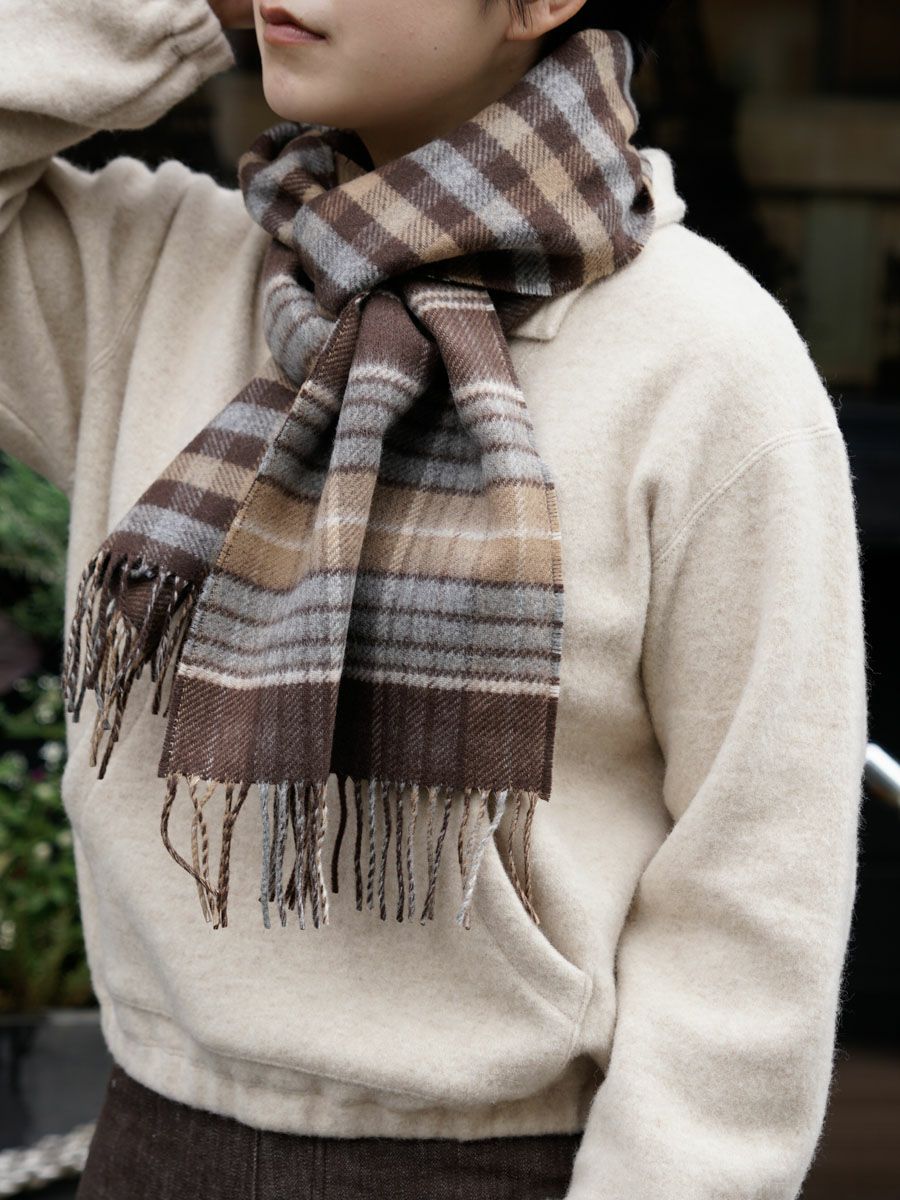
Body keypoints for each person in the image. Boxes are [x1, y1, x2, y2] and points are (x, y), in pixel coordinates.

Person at [0, 1, 868, 1198]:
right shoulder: (156, 276)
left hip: (507, 1166)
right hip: (153, 1144)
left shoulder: (705, 363)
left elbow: (751, 902)